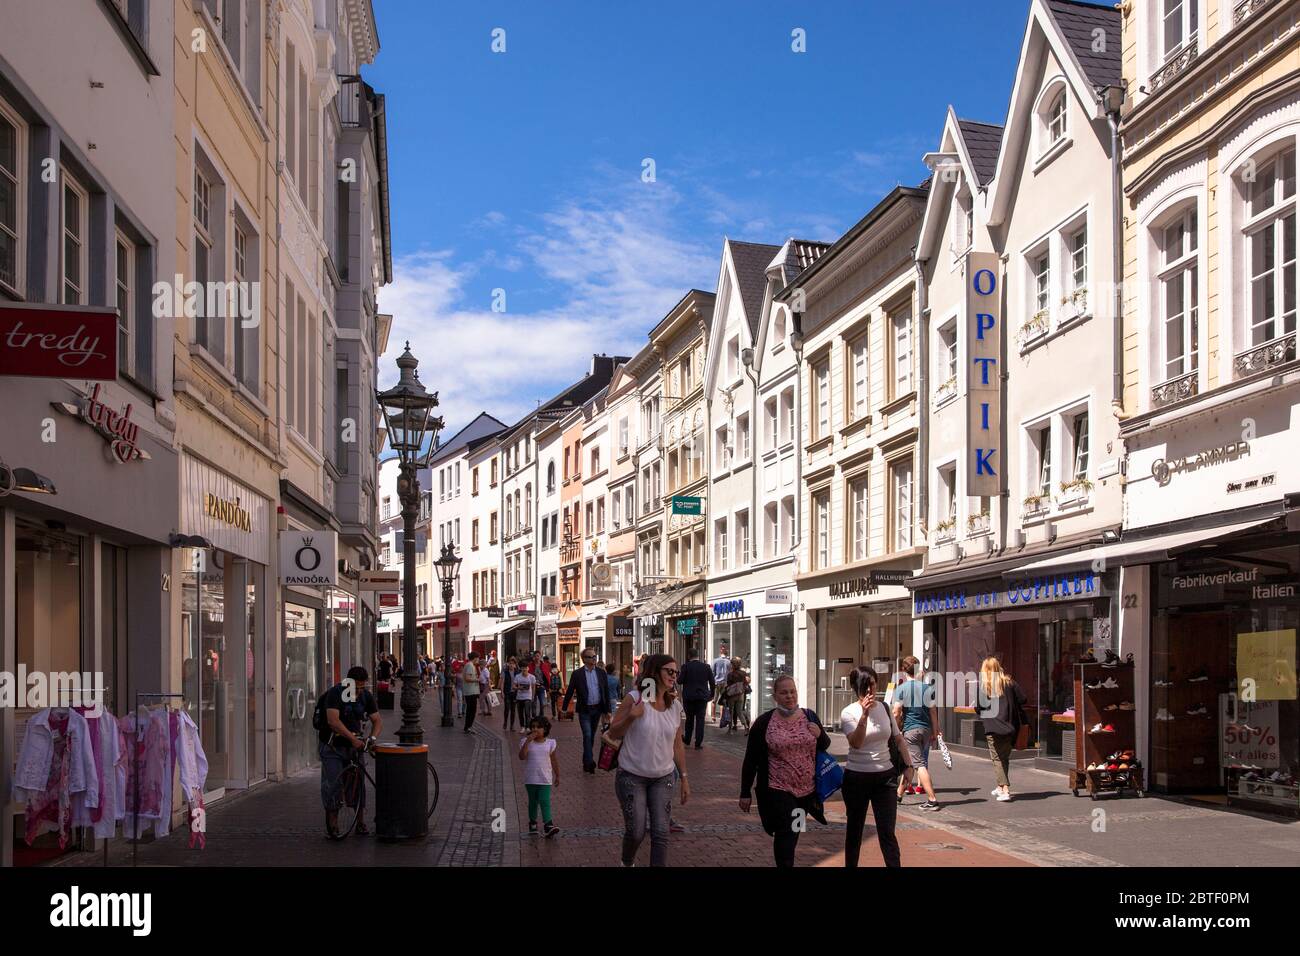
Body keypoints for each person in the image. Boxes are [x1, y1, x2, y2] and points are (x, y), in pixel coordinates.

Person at [738, 674, 830, 867]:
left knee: (795, 831)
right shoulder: (764, 723)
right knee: (786, 832)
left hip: (806, 791)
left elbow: (824, 744)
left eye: (792, 692)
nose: (790, 696)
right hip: (777, 789)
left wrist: (819, 734)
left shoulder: (809, 716)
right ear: (775, 696)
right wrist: (744, 792)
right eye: (784, 693)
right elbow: (751, 759)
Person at [607, 653, 688, 867]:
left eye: (676, 672)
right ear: (655, 672)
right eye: (669, 671)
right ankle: (627, 862)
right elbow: (613, 733)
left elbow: (677, 744)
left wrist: (685, 778)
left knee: (661, 832)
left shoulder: (675, 705)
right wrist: (632, 716)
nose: (673, 675)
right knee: (636, 831)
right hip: (632, 776)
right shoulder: (635, 698)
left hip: (663, 776)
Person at [840, 667, 909, 868]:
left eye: (873, 684)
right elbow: (856, 743)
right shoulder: (848, 712)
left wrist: (909, 765)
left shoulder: (885, 708)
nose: (871, 690)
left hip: (885, 777)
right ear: (856, 687)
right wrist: (863, 715)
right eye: (866, 685)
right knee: (855, 830)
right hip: (857, 778)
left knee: (887, 832)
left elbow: (898, 738)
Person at [319, 666, 383, 838]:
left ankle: (360, 822)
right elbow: (333, 721)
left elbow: (377, 720)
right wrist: (352, 738)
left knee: (358, 782)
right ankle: (333, 824)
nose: (360, 690)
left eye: (363, 687)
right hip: (333, 746)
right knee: (333, 784)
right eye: (357, 687)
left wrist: (372, 739)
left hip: (354, 748)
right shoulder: (335, 693)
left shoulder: (365, 697)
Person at [977, 656, 1027, 802]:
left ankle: (1005, 789)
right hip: (1011, 726)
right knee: (1004, 757)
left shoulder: (984, 686)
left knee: (997, 758)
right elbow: (1023, 699)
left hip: (993, 727)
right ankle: (999, 786)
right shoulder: (1010, 683)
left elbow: (979, 708)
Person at [893, 656, 941, 810]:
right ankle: (899, 794)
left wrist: (895, 728)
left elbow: (896, 712)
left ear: (903, 670)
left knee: (919, 764)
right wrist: (936, 731)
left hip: (911, 731)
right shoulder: (928, 689)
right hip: (926, 730)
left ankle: (932, 799)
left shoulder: (901, 689)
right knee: (910, 763)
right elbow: (933, 712)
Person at [562, 648, 612, 773]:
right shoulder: (577, 674)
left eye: (595, 656)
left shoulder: (601, 673)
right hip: (584, 710)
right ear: (584, 660)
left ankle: (586, 761)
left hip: (597, 709)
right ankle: (590, 762)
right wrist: (564, 708)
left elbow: (606, 692)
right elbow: (569, 691)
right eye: (590, 657)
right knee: (587, 735)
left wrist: (608, 711)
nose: (593, 659)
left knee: (591, 736)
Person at [519, 715, 561, 837]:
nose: (535, 729)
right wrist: (527, 741)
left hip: (545, 778)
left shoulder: (550, 743)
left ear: (545, 729)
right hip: (531, 778)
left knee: (544, 800)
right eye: (533, 727)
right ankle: (533, 823)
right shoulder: (526, 742)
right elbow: (522, 757)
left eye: (539, 727)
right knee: (533, 801)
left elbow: (554, 760)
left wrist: (557, 775)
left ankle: (548, 825)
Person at [678, 648, 716, 750]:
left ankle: (687, 739)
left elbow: (679, 681)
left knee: (689, 719)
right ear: (698, 656)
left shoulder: (685, 667)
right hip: (702, 697)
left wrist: (679, 674)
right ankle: (698, 743)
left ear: (689, 656)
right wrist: (712, 694)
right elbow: (712, 683)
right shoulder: (706, 667)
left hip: (689, 697)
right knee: (700, 720)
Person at [722, 658, 750, 733]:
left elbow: (728, 686)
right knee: (739, 711)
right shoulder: (743, 673)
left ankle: (730, 729)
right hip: (740, 695)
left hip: (732, 696)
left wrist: (725, 696)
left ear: (733, 665)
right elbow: (746, 683)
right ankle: (746, 727)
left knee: (731, 712)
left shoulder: (730, 674)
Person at [513, 661, 537, 730]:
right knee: (520, 713)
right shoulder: (517, 676)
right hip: (519, 697)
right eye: (523, 668)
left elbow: (533, 687)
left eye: (525, 668)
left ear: (528, 668)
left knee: (527, 712)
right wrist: (518, 688)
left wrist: (533, 696)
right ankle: (522, 726)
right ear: (521, 669)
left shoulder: (532, 677)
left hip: (528, 697)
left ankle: (528, 726)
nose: (524, 669)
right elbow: (513, 686)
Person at [461, 652, 482, 733]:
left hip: (471, 691)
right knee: (471, 710)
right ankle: (468, 727)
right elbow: (467, 678)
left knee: (471, 710)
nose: (478, 660)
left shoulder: (471, 665)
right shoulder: (470, 665)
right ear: (475, 658)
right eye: (478, 658)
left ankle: (468, 726)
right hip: (470, 692)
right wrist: (477, 679)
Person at [711, 648, 731, 720]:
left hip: (716, 682)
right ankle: (721, 717)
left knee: (714, 700)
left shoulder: (715, 661)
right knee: (722, 700)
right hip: (725, 683)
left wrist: (712, 682)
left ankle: (713, 716)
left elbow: (712, 672)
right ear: (726, 653)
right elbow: (729, 673)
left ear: (720, 653)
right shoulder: (728, 662)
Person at [603, 662, 622, 731]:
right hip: (613, 698)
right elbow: (618, 689)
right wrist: (619, 697)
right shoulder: (616, 679)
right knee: (612, 713)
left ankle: (605, 726)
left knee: (604, 713)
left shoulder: (603, 678)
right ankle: (610, 727)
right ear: (613, 670)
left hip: (604, 698)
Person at [502, 657, 518, 731]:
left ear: (515, 665)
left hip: (514, 693)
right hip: (507, 692)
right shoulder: (505, 672)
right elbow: (502, 683)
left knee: (513, 710)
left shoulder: (517, 673)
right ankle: (505, 722)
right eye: (510, 663)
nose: (511, 665)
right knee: (507, 708)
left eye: (513, 664)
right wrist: (502, 692)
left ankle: (512, 725)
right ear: (508, 664)